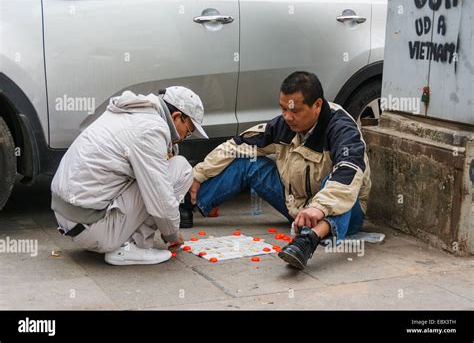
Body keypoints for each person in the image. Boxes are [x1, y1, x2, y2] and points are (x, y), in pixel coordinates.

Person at [184, 71, 371, 270]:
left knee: (336, 183)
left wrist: (318, 208)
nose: (287, 117)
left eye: (295, 111)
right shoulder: (283, 125)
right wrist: (198, 175)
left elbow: (347, 173)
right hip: (297, 207)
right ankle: (187, 204)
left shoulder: (342, 129)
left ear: (317, 105)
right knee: (249, 162)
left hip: (343, 212)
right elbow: (236, 145)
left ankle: (308, 241)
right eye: (283, 109)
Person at [51, 86, 208, 265]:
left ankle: (118, 239)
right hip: (92, 228)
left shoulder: (131, 112)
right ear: (176, 117)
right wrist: (172, 233)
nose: (183, 138)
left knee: (158, 173)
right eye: (187, 131)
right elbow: (160, 198)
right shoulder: (151, 129)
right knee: (181, 168)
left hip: (69, 220)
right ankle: (133, 247)